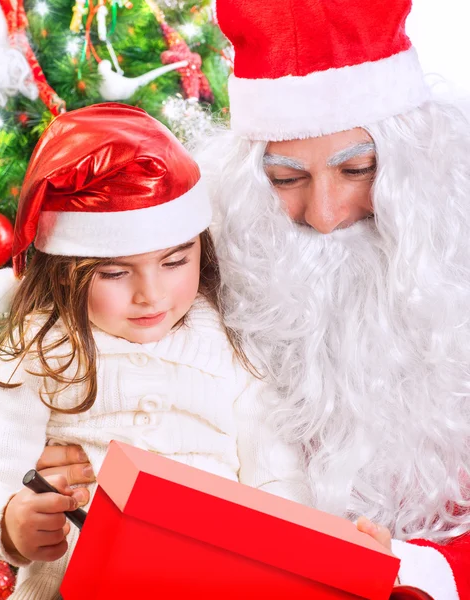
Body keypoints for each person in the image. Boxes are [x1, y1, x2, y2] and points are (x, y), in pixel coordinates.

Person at [36, 1, 470, 599]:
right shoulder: (192, 291)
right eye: (286, 179)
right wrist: (59, 466)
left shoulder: (454, 288)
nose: (324, 216)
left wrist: (416, 571)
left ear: (417, 170)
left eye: (359, 169)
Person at [0, 103, 309, 599]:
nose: (151, 295)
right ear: (64, 269)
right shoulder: (38, 349)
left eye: (175, 261)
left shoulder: (230, 346)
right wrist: (9, 521)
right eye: (115, 273)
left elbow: (276, 481)